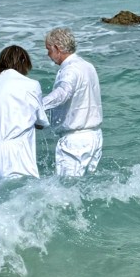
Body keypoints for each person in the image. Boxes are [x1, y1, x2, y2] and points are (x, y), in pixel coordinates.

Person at [0, 45, 48, 187]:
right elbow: (40, 122)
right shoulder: (30, 85)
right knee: (25, 194)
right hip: (13, 151)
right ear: (24, 62)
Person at [42, 26, 103, 176]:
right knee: (87, 185)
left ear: (57, 48)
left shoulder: (70, 70)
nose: (48, 55)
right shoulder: (88, 66)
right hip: (95, 136)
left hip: (75, 140)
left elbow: (63, 93)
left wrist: (37, 106)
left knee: (66, 187)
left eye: (49, 50)